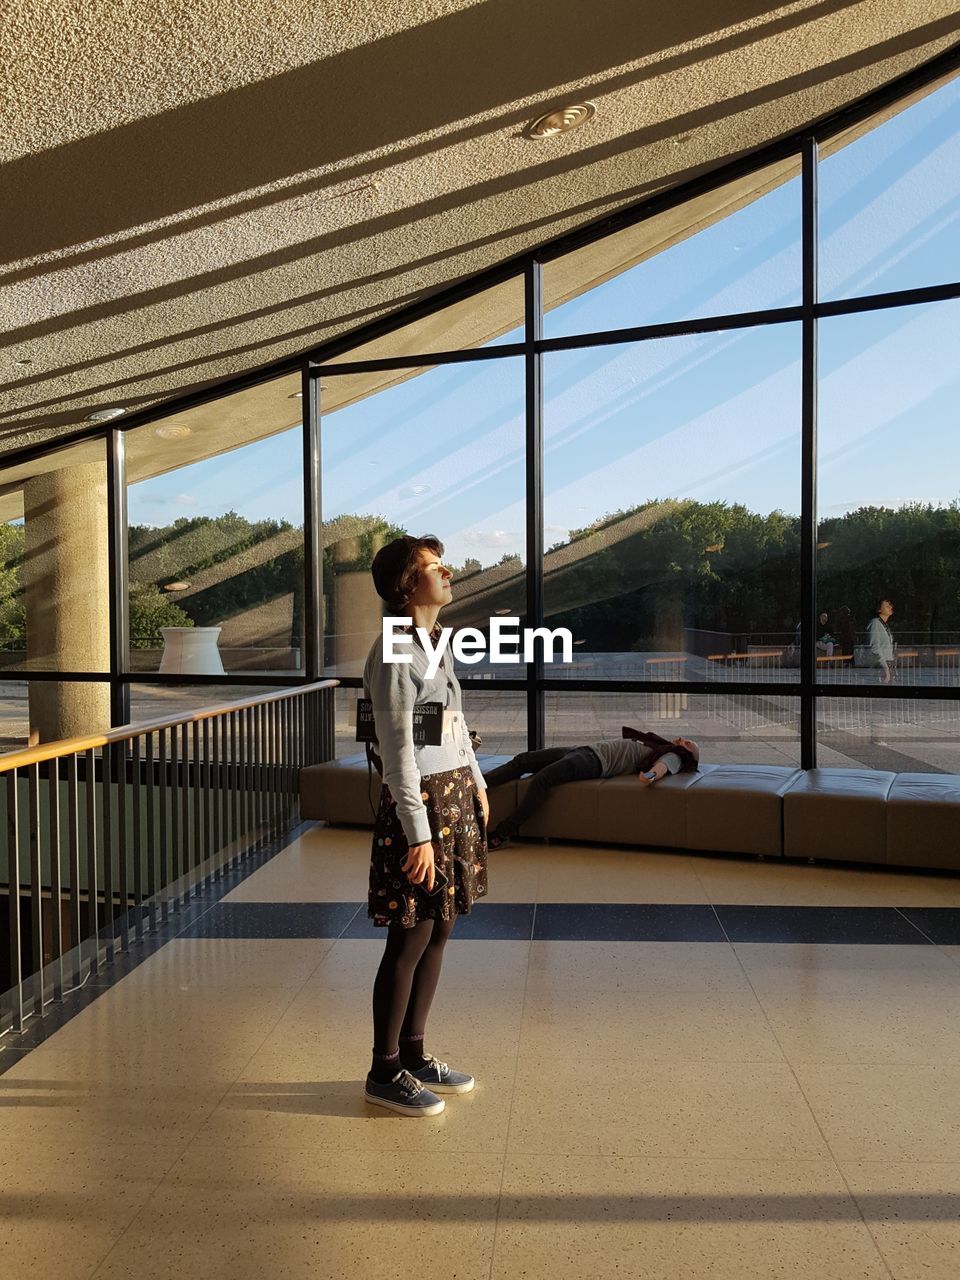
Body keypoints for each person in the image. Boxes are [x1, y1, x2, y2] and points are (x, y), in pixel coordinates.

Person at [361, 534, 489, 1118]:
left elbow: (451, 722)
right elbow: (397, 751)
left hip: (454, 795)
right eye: (434, 568)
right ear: (406, 587)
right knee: (409, 937)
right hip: (423, 807)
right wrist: (419, 833)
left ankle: (413, 1054)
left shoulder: (434, 642)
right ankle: (384, 1069)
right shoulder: (393, 651)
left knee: (440, 928)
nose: (447, 573)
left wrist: (478, 782)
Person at [482, 730, 700, 850]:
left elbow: (662, 767)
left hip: (595, 761)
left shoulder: (675, 756)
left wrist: (651, 776)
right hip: (584, 751)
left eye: (687, 742)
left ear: (688, 755)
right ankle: (477, 785)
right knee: (524, 760)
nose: (682, 739)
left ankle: (503, 833)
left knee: (541, 779)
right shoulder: (663, 747)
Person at [866, 597, 896, 683]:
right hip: (881, 666)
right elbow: (875, 647)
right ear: (879, 609)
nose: (890, 607)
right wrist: (885, 668)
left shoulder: (884, 624)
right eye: (887, 606)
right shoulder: (875, 623)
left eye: (890, 605)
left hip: (887, 664)